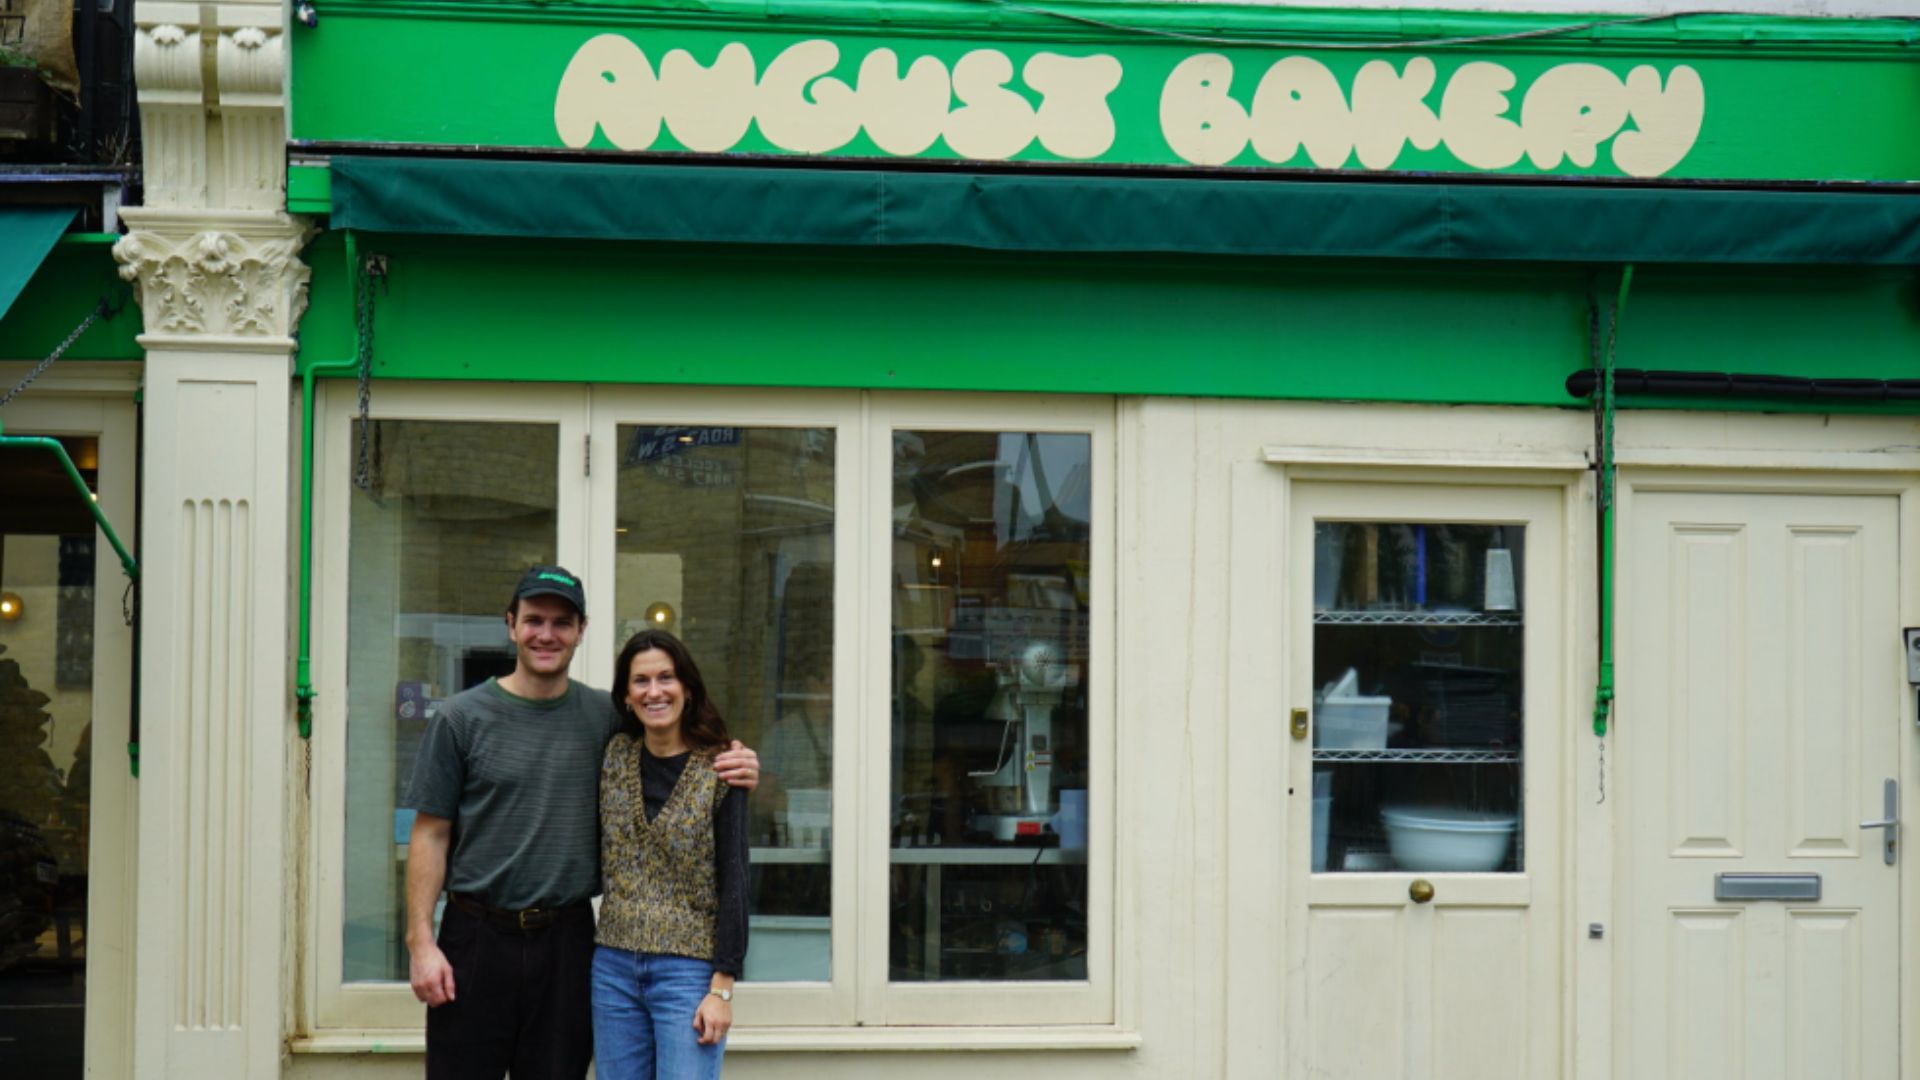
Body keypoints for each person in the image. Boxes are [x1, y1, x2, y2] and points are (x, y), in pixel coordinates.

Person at [402, 566, 758, 1080]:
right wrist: (420, 942)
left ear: (581, 631)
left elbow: (673, 744)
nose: (546, 634)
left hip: (567, 942)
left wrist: (740, 764)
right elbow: (431, 834)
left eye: (561, 623)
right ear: (510, 624)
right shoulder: (460, 719)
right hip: (476, 937)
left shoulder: (606, 719)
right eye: (534, 620)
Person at [591, 629, 748, 1080]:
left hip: (688, 974)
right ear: (625, 695)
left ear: (688, 689)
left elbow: (735, 880)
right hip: (612, 968)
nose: (654, 691)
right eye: (641, 681)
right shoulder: (613, 756)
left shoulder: (722, 768)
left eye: (667, 678)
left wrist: (723, 988)